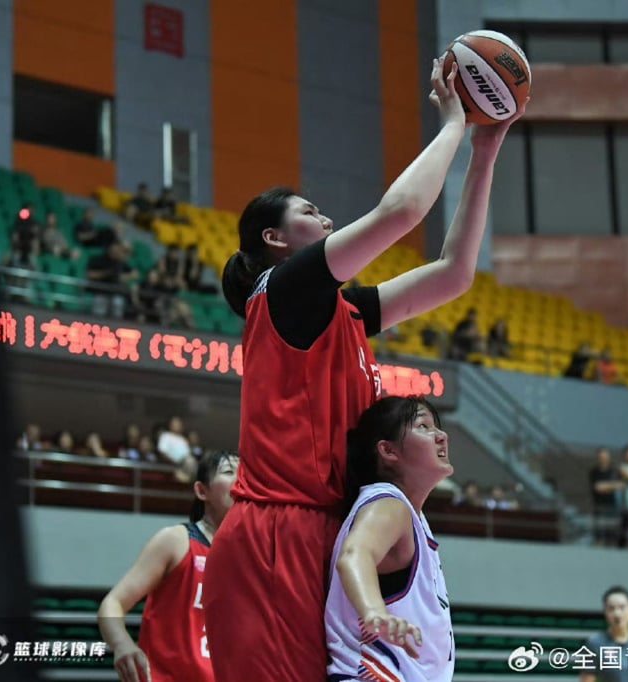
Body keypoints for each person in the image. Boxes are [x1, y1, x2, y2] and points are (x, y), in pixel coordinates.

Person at [205, 59, 525, 682]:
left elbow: (454, 273)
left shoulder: (343, 309)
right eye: (310, 213)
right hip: (278, 531)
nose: (326, 221)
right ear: (274, 239)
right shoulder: (283, 290)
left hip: (323, 525)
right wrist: (454, 123)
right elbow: (402, 211)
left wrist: (487, 148)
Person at [326, 396, 454, 682]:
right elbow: (354, 556)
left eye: (438, 428)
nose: (441, 436)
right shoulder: (388, 503)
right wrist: (374, 613)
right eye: (424, 426)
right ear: (388, 450)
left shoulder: (413, 517)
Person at [98, 450, 238, 682]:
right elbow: (112, 603)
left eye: (245, 475)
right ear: (202, 491)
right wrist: (123, 644)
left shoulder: (246, 559)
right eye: (229, 472)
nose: (240, 480)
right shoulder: (176, 540)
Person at [579, 586, 628, 682]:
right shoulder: (594, 644)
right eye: (611, 608)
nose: (617, 613)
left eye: (622, 607)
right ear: (605, 612)